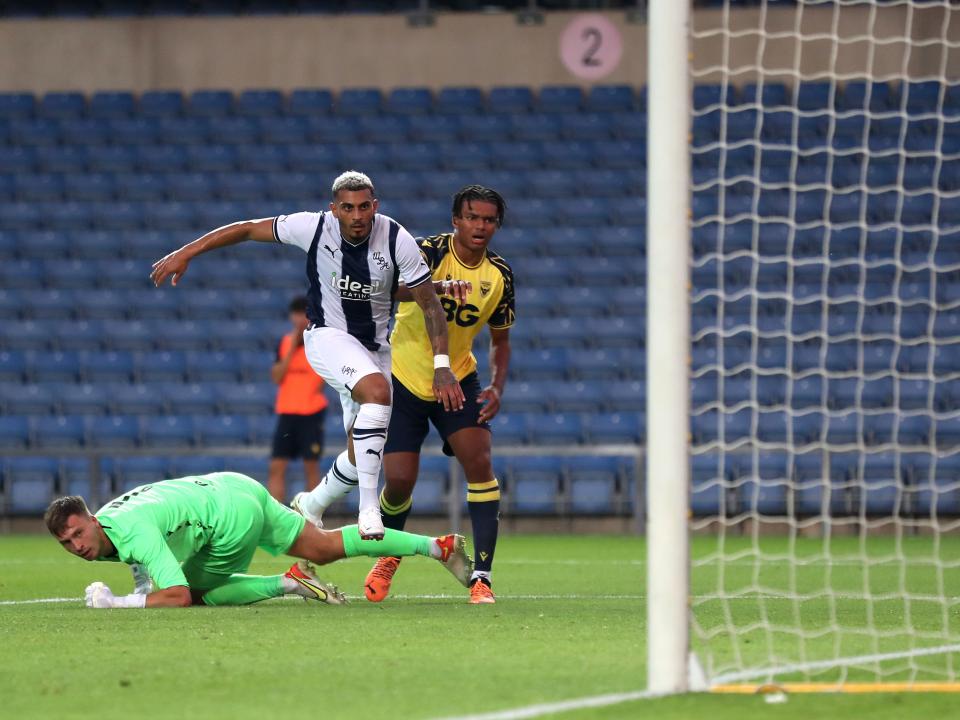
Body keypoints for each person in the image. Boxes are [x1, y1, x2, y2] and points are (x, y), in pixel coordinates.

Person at [151, 171, 467, 540]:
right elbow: (248, 228)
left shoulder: (396, 239)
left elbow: (426, 304)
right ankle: (369, 510)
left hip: (375, 348)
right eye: (348, 208)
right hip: (327, 337)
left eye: (364, 206)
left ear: (375, 206)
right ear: (334, 210)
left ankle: (311, 505)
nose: (357, 215)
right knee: (378, 395)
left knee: (363, 447)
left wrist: (441, 362)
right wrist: (187, 251)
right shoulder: (312, 227)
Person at [297, 185, 514, 605]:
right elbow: (381, 285)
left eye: (489, 219)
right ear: (456, 220)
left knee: (480, 461)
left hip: (459, 378)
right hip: (403, 377)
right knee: (398, 481)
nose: (480, 226)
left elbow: (501, 339)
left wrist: (496, 386)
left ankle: (482, 578)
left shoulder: (500, 275)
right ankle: (389, 559)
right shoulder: (425, 252)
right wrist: (430, 288)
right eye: (472, 217)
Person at [44, 472, 473, 608]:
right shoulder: (109, 528)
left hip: (228, 517)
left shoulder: (130, 528)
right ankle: (438, 547)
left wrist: (118, 604)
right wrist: (142, 589)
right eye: (67, 543)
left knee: (194, 594)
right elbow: (138, 561)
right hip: (234, 486)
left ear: (92, 519)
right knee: (322, 546)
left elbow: (174, 595)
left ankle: (287, 582)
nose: (77, 545)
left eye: (79, 533)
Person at [268, 295, 328, 502]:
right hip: (287, 411)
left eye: (302, 314)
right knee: (276, 466)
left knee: (311, 465)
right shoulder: (285, 342)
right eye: (295, 314)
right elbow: (276, 376)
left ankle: (312, 515)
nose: (298, 319)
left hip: (311, 411)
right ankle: (276, 514)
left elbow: (323, 379)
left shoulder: (319, 342)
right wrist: (292, 347)